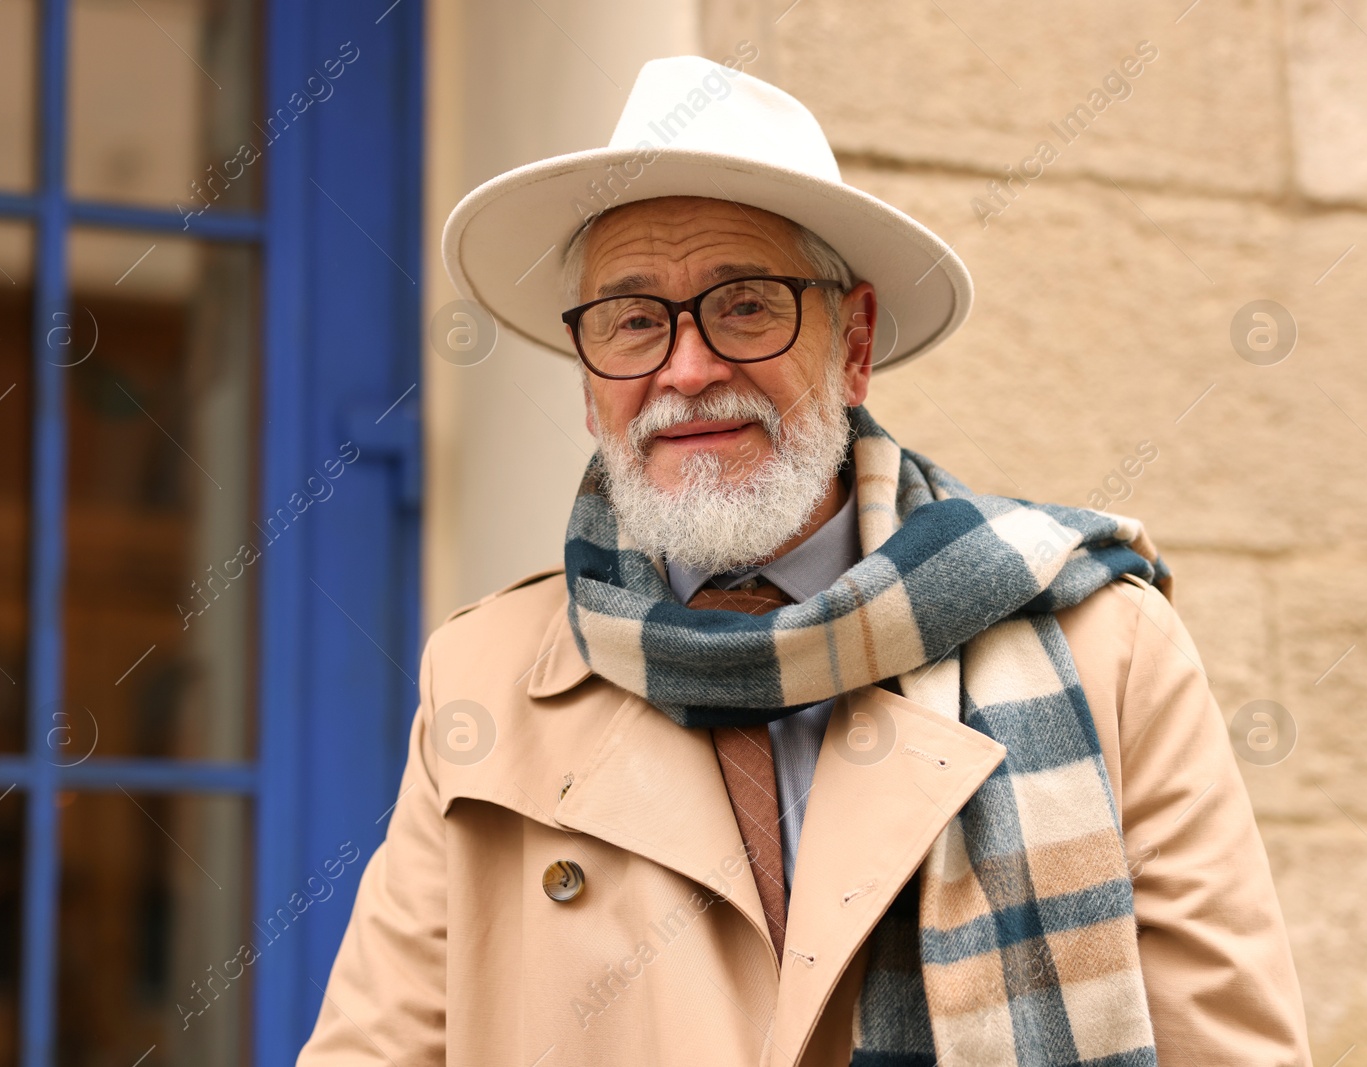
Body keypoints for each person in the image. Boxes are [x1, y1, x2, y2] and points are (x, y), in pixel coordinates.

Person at [298, 55, 1311, 1067]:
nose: (686, 370)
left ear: (853, 340)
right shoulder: (482, 677)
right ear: (587, 370)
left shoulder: (1107, 645)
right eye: (634, 320)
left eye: (744, 305)